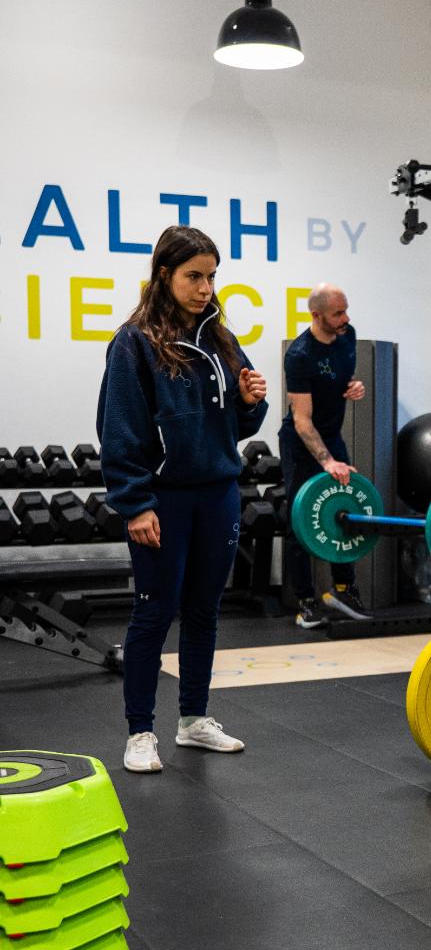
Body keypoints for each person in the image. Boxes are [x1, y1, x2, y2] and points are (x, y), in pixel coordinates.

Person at [97, 225, 268, 774]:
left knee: (204, 610)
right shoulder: (135, 342)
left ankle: (193, 719)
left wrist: (250, 404)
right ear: (164, 275)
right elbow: (119, 429)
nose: (205, 287)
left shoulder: (219, 338)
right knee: (154, 612)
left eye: (212, 276)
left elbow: (235, 425)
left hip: (218, 492)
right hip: (163, 499)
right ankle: (139, 731)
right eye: (194, 276)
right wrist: (135, 502)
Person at [278, 283, 366, 628]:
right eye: (337, 313)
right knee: (299, 521)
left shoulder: (347, 336)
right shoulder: (300, 355)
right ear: (316, 316)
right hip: (301, 441)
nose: (345, 318)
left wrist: (354, 387)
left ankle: (344, 589)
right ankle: (306, 602)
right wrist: (327, 461)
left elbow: (342, 381)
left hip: (331, 434)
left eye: (345, 310)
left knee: (345, 508)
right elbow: (301, 419)